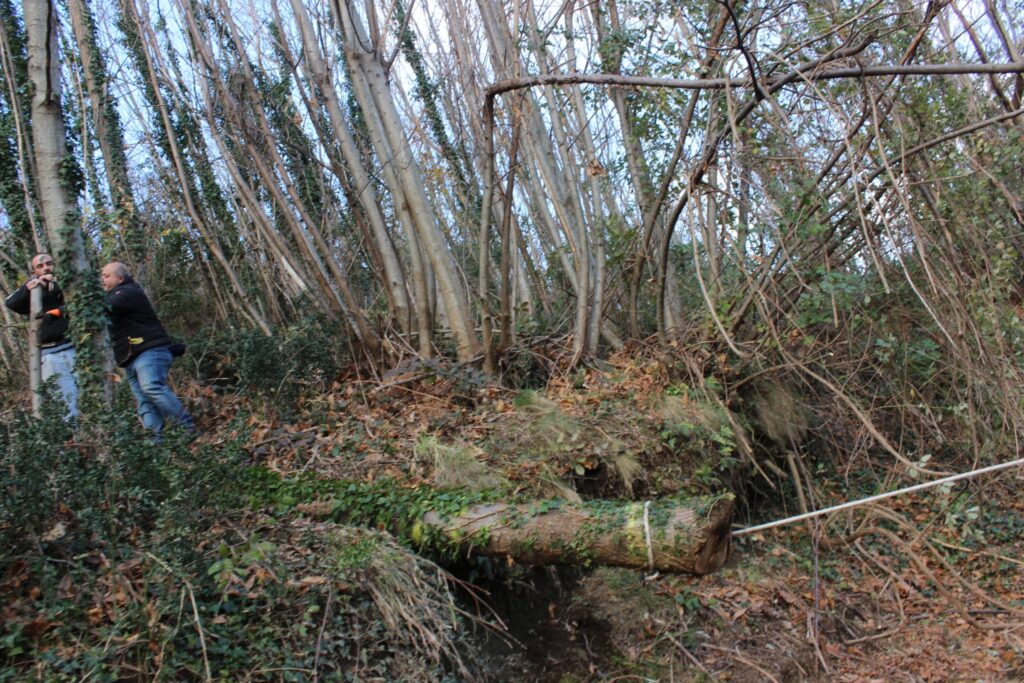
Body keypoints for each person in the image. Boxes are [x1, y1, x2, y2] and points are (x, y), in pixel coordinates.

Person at [100, 261, 195, 437]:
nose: (102, 280)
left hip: (149, 351)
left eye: (106, 276)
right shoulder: (117, 294)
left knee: (151, 387)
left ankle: (186, 427)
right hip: (130, 357)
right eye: (102, 276)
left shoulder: (127, 292)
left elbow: (107, 306)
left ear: (120, 278)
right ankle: (154, 444)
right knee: (144, 401)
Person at [4, 253, 79, 419]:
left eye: (49, 263)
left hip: (76, 348)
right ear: (34, 271)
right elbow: (11, 302)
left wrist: (56, 287)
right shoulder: (33, 291)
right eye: (40, 266)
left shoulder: (67, 283)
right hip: (51, 355)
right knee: (65, 403)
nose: (46, 268)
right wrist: (30, 287)